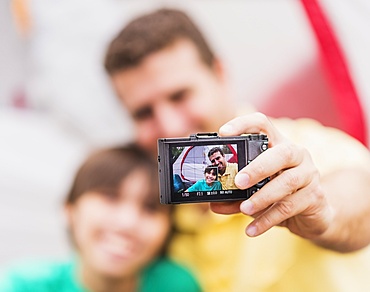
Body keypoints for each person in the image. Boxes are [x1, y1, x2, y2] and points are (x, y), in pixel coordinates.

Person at [103, 8, 370, 291]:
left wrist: (323, 212)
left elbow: (360, 198)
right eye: (143, 113)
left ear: (219, 73)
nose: (169, 126)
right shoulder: (152, 220)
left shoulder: (303, 147)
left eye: (179, 95)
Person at [0, 145, 201, 292]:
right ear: (70, 209)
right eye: (110, 197)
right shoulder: (22, 285)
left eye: (150, 208)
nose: (127, 223)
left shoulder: (178, 284)